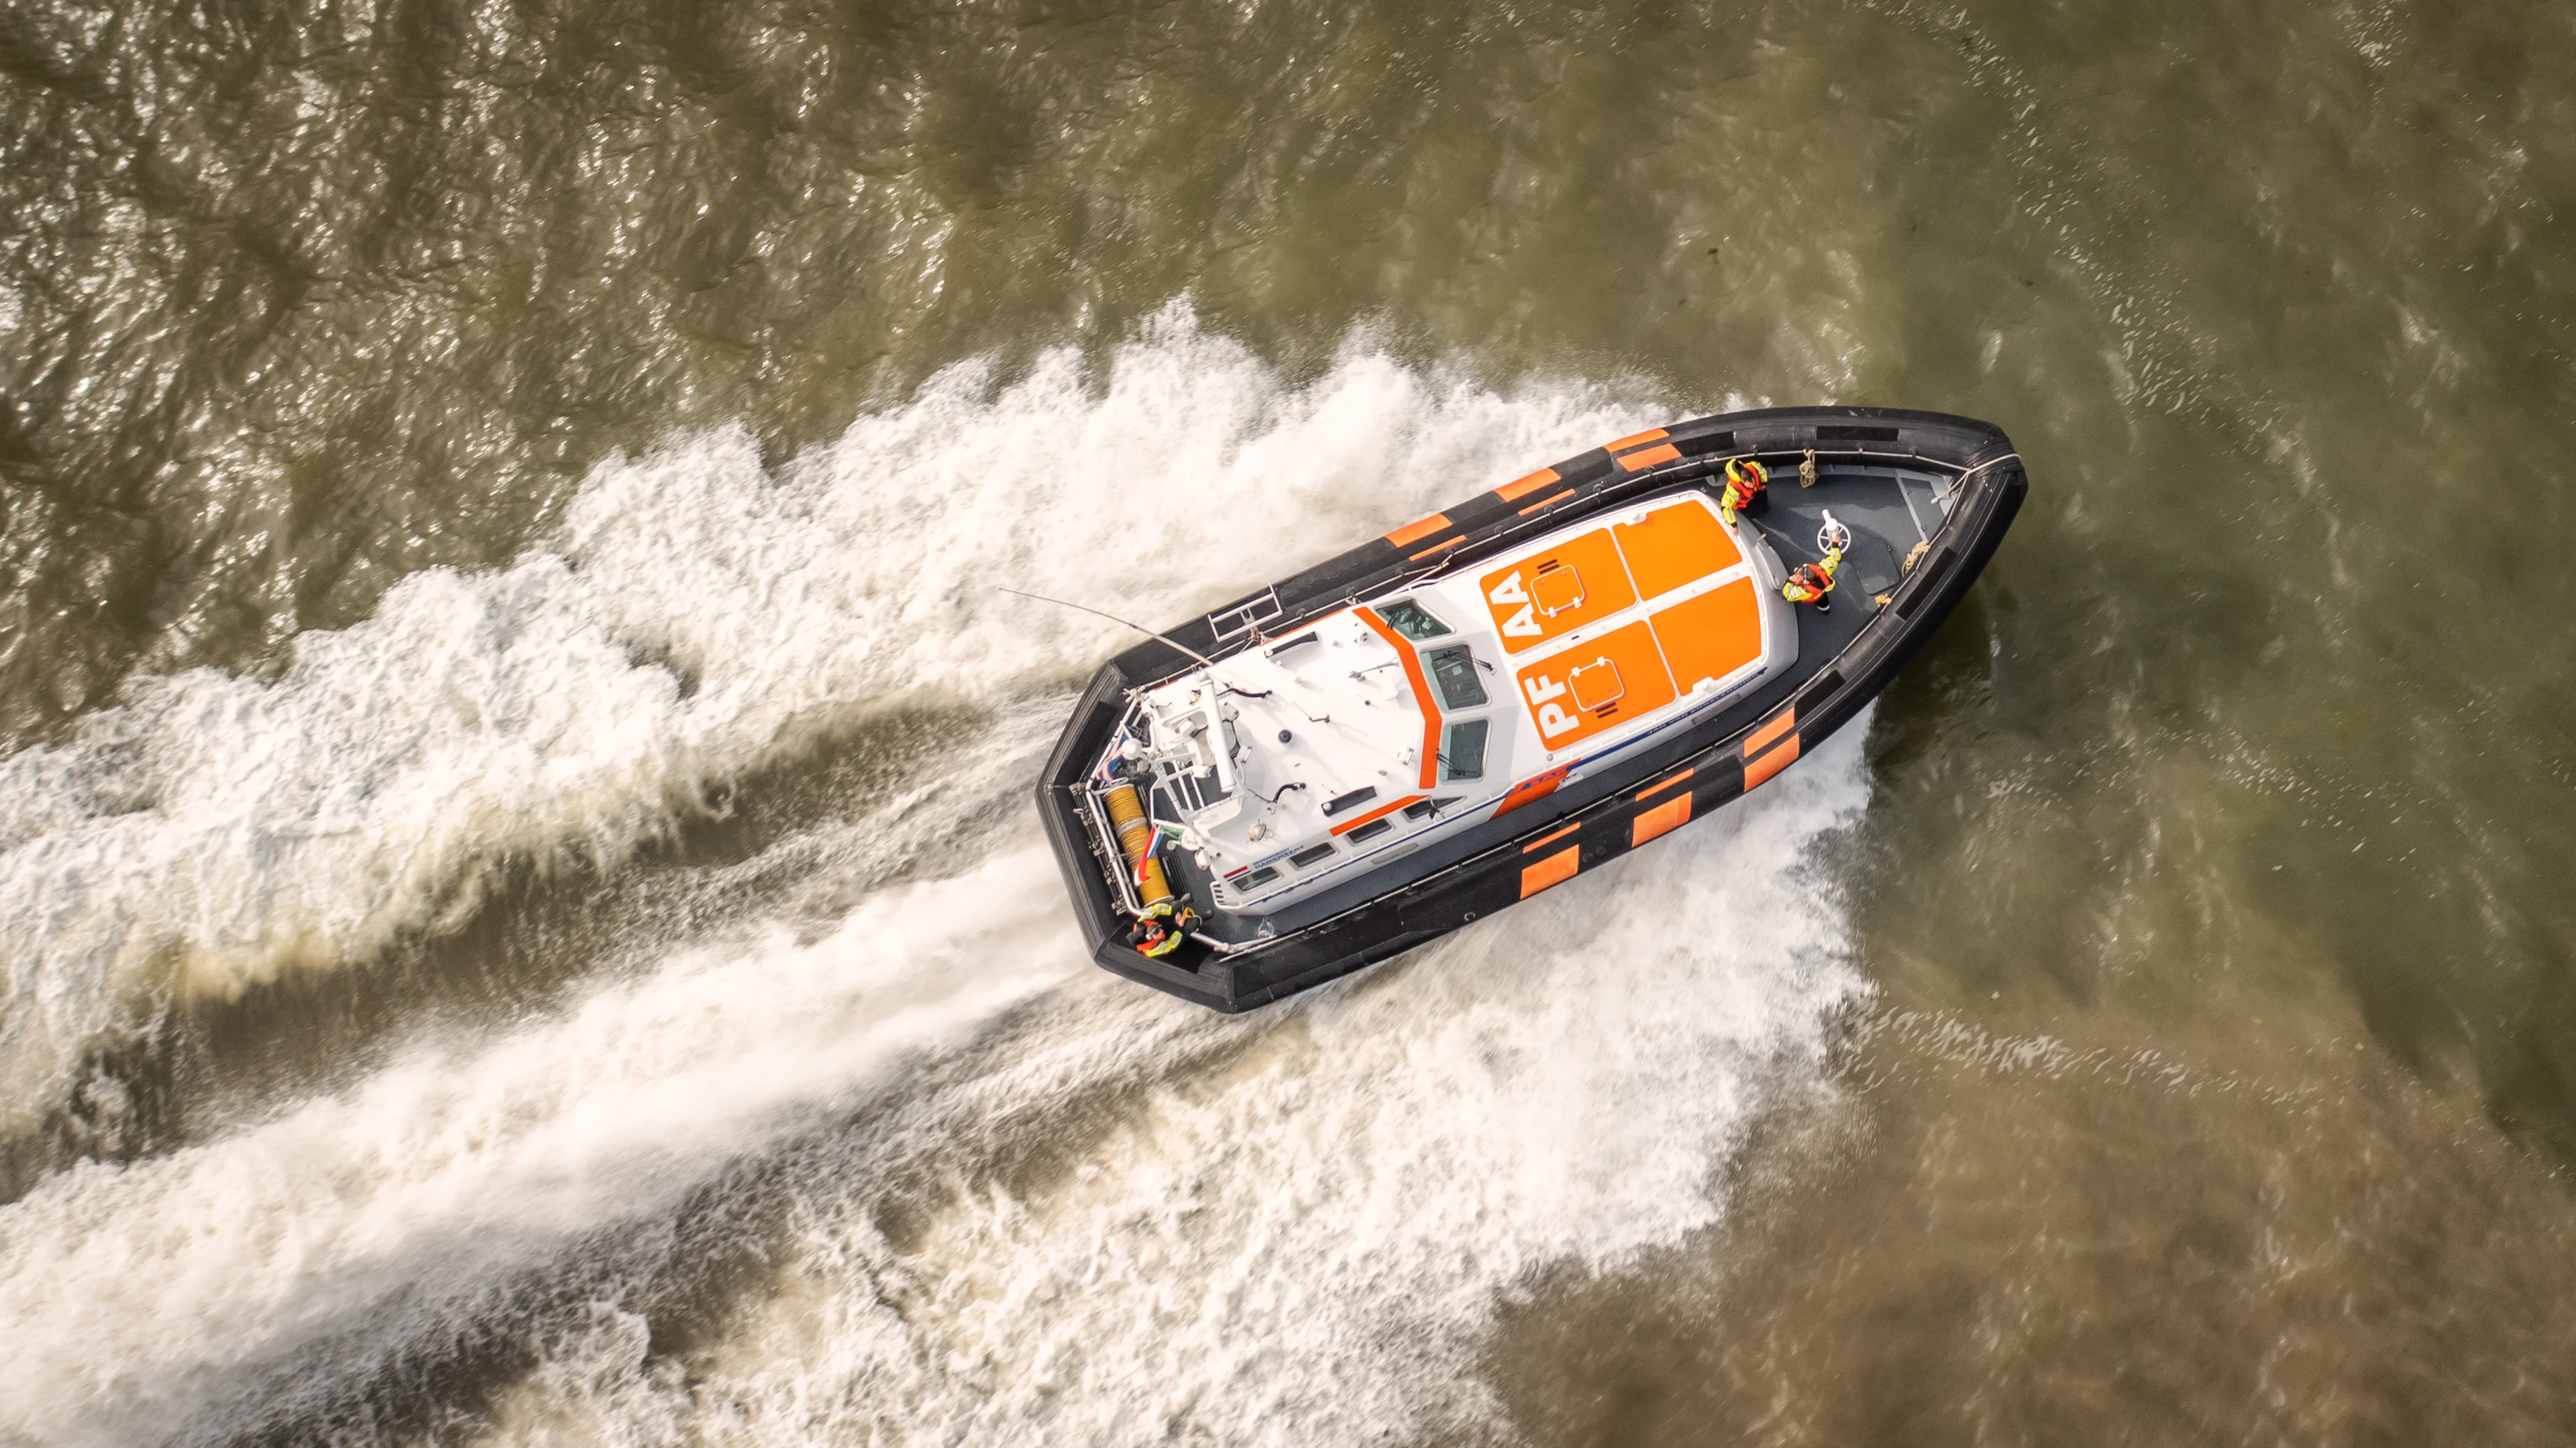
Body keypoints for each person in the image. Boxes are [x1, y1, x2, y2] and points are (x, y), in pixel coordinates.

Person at [1782, 546, 1842, 612]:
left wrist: (1790, 581)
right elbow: (1834, 558)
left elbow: (1787, 596)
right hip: (1823, 591)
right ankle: (1825, 609)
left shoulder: (1803, 591)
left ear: (1805, 582)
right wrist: (1835, 545)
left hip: (1816, 598)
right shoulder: (1823, 569)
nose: (1795, 575)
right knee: (1824, 602)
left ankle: (1824, 610)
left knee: (1820, 602)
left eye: (1797, 576)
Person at [1720, 458, 1769, 524]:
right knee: (1752, 512)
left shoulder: (1756, 470)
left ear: (1752, 477)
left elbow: (1763, 472)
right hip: (1744, 502)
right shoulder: (1734, 488)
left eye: (1753, 484)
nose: (1752, 486)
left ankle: (1763, 505)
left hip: (1752, 494)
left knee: (1763, 493)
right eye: (1749, 486)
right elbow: (1725, 506)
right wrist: (1733, 524)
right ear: (1743, 482)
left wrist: (1763, 483)